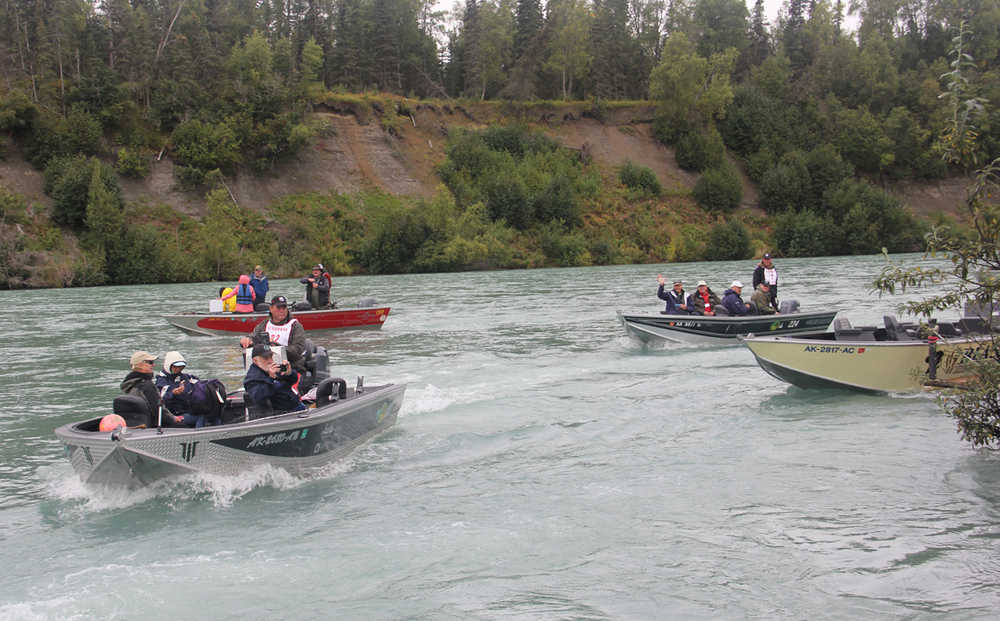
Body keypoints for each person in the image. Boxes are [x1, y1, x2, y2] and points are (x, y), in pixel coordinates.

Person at [239, 295, 308, 377]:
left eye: (284, 307)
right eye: (278, 308)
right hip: (266, 368)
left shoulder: (295, 326)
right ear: (271, 309)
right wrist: (247, 340)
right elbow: (253, 337)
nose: (282, 310)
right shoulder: (264, 324)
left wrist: (277, 346)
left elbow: (298, 350)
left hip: (291, 368)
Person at [120, 351, 184, 428]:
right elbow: (158, 411)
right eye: (150, 362)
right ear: (140, 365)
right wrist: (173, 418)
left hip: (138, 424)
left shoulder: (130, 384)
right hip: (153, 426)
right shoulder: (147, 386)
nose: (153, 365)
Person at [154, 351, 212, 427]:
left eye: (180, 367)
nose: (178, 369)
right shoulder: (161, 381)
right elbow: (160, 399)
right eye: (175, 367)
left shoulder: (185, 377)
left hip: (187, 411)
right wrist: (173, 393)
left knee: (211, 413)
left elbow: (199, 383)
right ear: (169, 366)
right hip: (173, 416)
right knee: (201, 417)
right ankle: (199, 436)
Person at [243, 344, 305, 414]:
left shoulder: (273, 368)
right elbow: (258, 397)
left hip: (295, 405)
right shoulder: (252, 378)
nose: (270, 361)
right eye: (266, 358)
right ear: (255, 360)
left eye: (271, 357)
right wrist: (271, 378)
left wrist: (289, 373)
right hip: (279, 414)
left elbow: (293, 381)